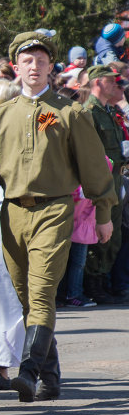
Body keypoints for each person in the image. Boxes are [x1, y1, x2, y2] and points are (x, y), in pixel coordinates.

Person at [0, 32, 116, 403]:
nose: (34, 66)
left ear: (51, 68)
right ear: (16, 67)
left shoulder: (69, 112)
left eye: (41, 61)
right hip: (11, 213)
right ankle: (51, 376)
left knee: (43, 293)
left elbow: (94, 168)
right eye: (27, 60)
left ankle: (27, 372)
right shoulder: (2, 115)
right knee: (27, 298)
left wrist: (103, 213)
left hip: (55, 209)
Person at [80, 65, 128, 304]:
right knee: (99, 234)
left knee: (114, 235)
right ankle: (93, 283)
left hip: (116, 177)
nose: (116, 85)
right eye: (111, 81)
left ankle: (103, 280)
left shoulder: (109, 111)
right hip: (101, 181)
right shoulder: (89, 111)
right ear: (97, 82)